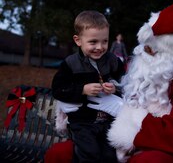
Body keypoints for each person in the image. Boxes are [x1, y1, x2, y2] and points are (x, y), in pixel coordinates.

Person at [45, 1, 173, 163]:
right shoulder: (142, 68)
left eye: (150, 50)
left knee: (149, 161)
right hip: (112, 139)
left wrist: (125, 112)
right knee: (60, 153)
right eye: (144, 47)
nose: (144, 53)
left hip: (157, 149)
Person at [45, 10, 125, 163]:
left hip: (108, 120)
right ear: (78, 40)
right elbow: (58, 89)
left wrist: (115, 88)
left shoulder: (113, 61)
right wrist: (82, 89)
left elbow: (125, 83)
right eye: (93, 42)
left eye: (105, 41)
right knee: (89, 153)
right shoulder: (71, 64)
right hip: (82, 122)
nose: (100, 47)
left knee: (110, 155)